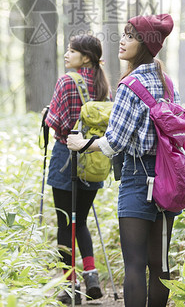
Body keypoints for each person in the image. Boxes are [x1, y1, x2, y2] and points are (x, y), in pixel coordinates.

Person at [67, 13, 178, 307]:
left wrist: (82, 143)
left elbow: (114, 142)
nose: (123, 40)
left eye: (131, 36)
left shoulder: (130, 85)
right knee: (160, 265)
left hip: (138, 179)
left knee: (134, 264)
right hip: (168, 178)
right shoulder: (167, 83)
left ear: (144, 45)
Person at [44, 34, 111, 304]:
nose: (66, 54)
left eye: (71, 51)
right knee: (80, 221)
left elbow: (56, 122)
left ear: (85, 56)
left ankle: (70, 287)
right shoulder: (103, 84)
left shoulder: (66, 81)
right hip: (93, 158)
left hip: (64, 157)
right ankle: (91, 274)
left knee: (65, 223)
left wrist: (47, 113)